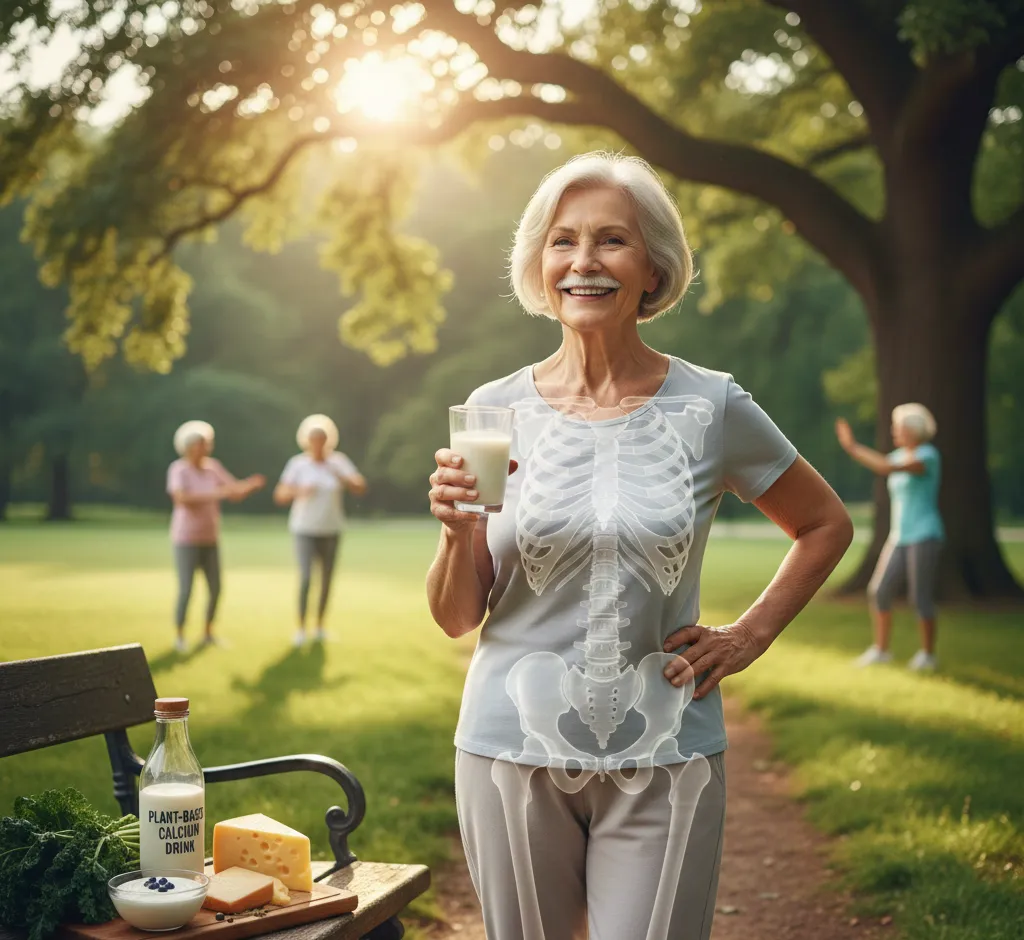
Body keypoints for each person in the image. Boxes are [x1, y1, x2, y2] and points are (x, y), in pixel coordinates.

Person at [425, 152, 854, 940]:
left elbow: (826, 523)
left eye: (611, 240)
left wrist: (748, 634)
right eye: (563, 241)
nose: (584, 262)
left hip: (669, 753)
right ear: (538, 263)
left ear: (654, 266)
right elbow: (458, 616)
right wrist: (456, 533)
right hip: (506, 751)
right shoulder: (491, 411)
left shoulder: (713, 404)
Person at [836, 404, 943, 670]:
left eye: (899, 427)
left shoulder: (928, 455)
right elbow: (885, 464)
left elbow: (884, 467)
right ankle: (881, 650)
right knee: (880, 590)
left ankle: (928, 655)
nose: (894, 431)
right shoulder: (898, 455)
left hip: (925, 534)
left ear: (913, 429)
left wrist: (852, 448)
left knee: (920, 597)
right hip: (899, 536)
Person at [167, 420, 265, 652]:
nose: (206, 448)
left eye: (207, 444)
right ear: (189, 446)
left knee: (216, 587)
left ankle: (208, 633)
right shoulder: (178, 469)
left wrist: (249, 486)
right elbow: (182, 499)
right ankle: (180, 636)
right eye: (202, 444)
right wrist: (215, 493)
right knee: (186, 589)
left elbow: (232, 491)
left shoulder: (213, 467)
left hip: (210, 538)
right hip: (186, 539)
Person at [274, 414, 366, 646]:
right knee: (306, 578)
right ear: (306, 441)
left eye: (322, 439)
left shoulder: (338, 461)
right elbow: (280, 495)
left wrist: (339, 474)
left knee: (326, 580)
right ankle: (301, 628)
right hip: (304, 529)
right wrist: (299, 491)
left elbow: (360, 487)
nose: (318, 444)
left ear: (329, 441)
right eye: (314, 439)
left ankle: (320, 627)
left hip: (331, 529)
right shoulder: (298, 464)